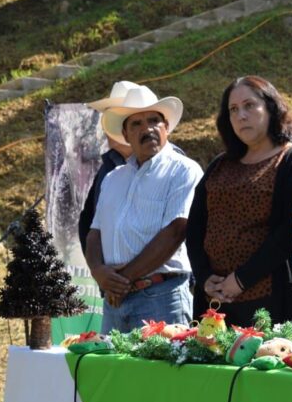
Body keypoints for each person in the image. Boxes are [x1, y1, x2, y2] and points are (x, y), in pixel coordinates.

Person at [187, 77, 292, 328]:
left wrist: (241, 279)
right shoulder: (220, 165)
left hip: (269, 299)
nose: (241, 115)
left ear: (271, 108)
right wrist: (204, 277)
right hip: (215, 299)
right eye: (233, 109)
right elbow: (195, 226)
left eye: (249, 105)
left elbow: (289, 232)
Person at [85, 86, 203, 333]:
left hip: (160, 297)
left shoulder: (184, 170)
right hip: (115, 300)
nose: (147, 128)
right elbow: (94, 232)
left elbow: (177, 230)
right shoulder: (113, 178)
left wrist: (121, 280)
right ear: (126, 135)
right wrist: (98, 271)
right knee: (113, 373)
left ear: (166, 127)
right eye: (136, 124)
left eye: (154, 120)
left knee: (161, 373)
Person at [78, 81, 140, 254]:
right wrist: (99, 269)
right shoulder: (107, 168)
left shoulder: (171, 163)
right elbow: (89, 224)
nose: (107, 128)